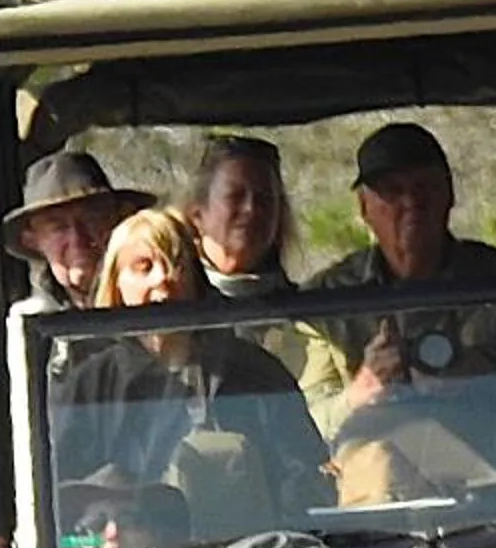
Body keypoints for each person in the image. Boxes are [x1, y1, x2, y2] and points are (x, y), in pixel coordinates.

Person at [46, 206, 327, 525]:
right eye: (144, 266)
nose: (163, 278)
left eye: (177, 264)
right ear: (116, 286)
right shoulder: (91, 387)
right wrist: (100, 541)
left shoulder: (255, 374)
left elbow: (305, 487)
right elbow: (61, 509)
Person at [302, 121, 496, 493]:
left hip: (485, 480)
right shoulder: (329, 298)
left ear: (449, 195)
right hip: (371, 488)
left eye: (424, 188)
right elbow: (298, 423)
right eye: (393, 192)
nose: (411, 202)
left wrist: (480, 383)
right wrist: (359, 392)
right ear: (365, 207)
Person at [0, 149, 152, 449]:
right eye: (58, 227)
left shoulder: (159, 298)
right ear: (32, 239)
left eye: (91, 217)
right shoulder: (27, 324)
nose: (77, 238)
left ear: (119, 220)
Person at [187, 134, 296, 301]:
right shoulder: (172, 304)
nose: (250, 209)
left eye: (264, 198)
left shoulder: (308, 313)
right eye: (235, 196)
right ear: (197, 215)